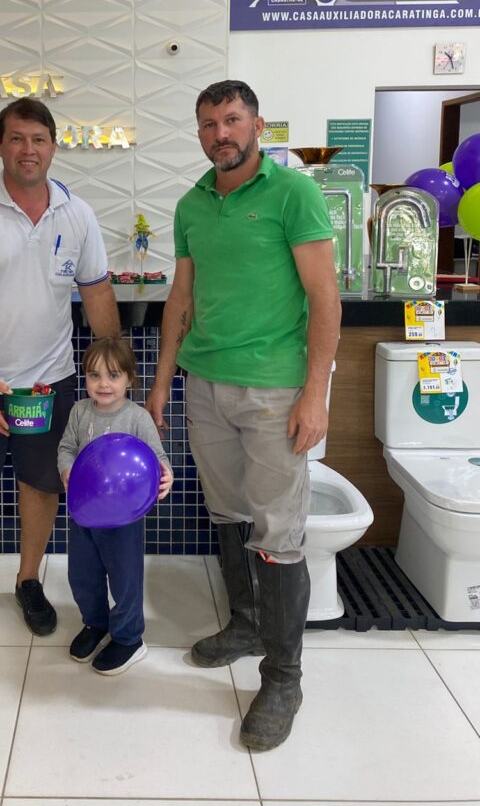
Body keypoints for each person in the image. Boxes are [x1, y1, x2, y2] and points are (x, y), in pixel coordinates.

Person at [146, 80, 340, 750]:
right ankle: (248, 623)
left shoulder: (294, 193)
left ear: (256, 124)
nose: (219, 133)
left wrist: (315, 393)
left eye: (231, 120)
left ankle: (283, 678)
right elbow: (181, 299)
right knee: (228, 512)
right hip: (205, 385)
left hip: (275, 391)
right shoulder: (191, 204)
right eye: (207, 123)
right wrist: (162, 383)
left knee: (278, 531)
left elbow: (325, 298)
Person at [0, 96, 120, 647]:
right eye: (16, 138)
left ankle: (28, 579)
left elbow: (97, 294)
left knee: (41, 483)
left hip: (49, 381)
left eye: (38, 139)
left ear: (54, 147)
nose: (28, 149)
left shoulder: (77, 214)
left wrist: (115, 371)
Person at [58, 337, 173, 675]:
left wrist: (166, 475)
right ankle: (96, 623)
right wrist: (67, 469)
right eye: (94, 375)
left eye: (113, 375)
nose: (103, 384)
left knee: (125, 579)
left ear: (129, 378)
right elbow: (66, 447)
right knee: (82, 574)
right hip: (84, 512)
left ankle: (128, 638)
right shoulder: (80, 411)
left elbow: (157, 458)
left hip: (124, 518)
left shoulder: (138, 418)